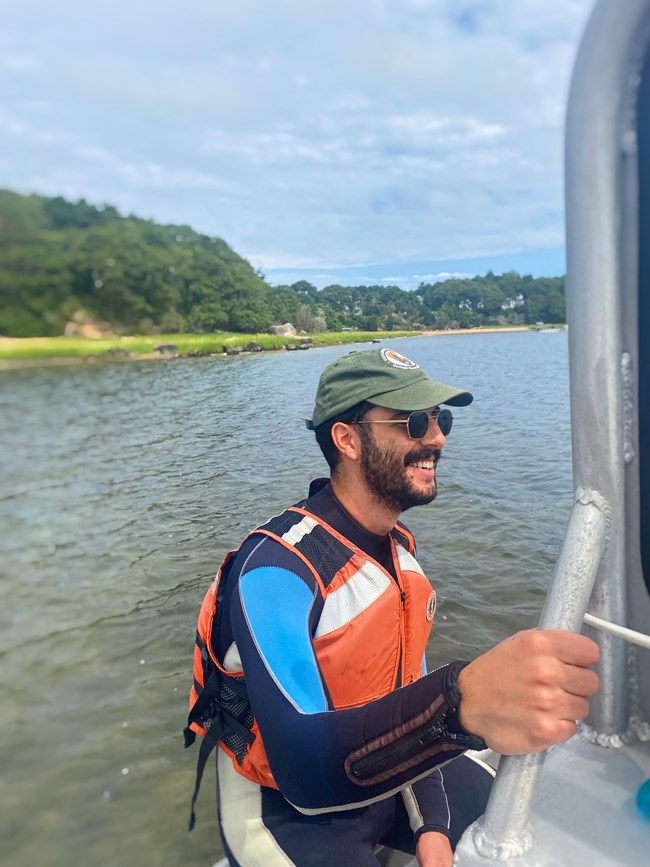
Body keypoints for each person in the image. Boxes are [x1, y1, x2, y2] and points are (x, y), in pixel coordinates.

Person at [185, 347, 600, 867]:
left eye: (440, 419)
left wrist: (432, 821)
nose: (438, 437)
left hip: (386, 767)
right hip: (284, 810)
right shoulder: (274, 569)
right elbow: (304, 769)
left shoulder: (398, 554)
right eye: (415, 422)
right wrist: (460, 704)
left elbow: (404, 686)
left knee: (531, 827)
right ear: (347, 438)